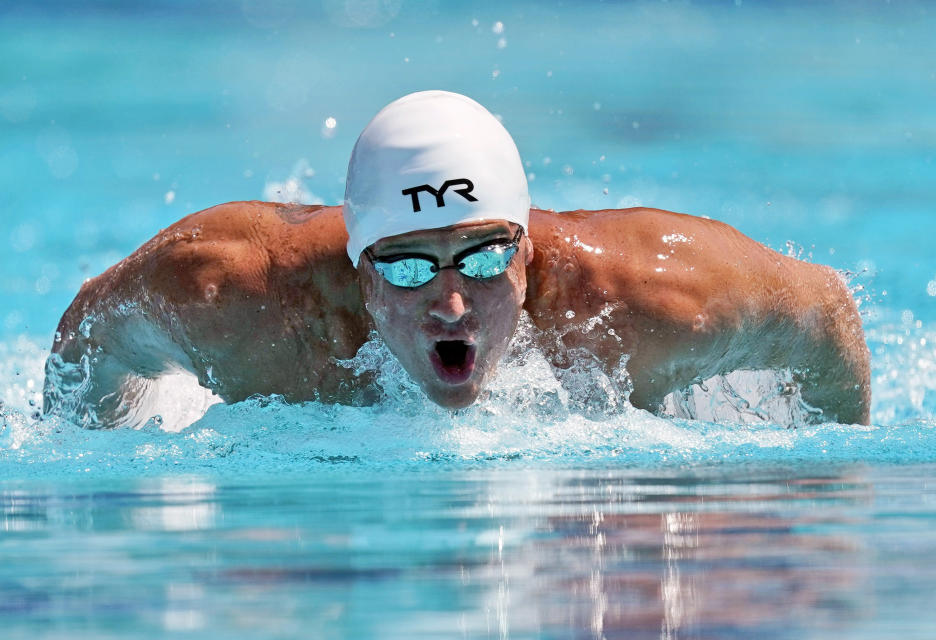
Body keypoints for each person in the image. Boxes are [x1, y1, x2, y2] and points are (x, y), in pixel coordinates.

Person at [44, 91, 871, 428]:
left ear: (526, 250)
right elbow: (92, 328)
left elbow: (827, 313)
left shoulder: (649, 296)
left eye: (479, 257)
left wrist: (814, 504)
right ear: (361, 271)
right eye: (408, 267)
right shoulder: (232, 291)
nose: (450, 305)